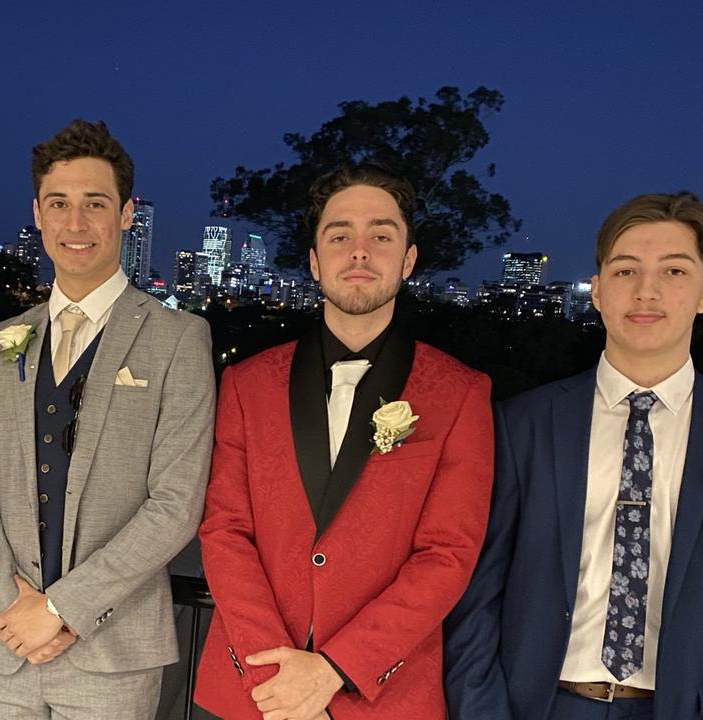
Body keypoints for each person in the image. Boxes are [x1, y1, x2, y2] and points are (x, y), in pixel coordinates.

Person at [444, 192, 703, 719]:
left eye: (674, 271)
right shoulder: (520, 425)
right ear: (599, 290)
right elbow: (473, 598)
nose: (646, 290)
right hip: (537, 705)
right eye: (625, 270)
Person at [194, 164, 494, 719]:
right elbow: (224, 529)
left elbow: (448, 555)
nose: (360, 252)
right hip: (255, 691)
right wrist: (277, 678)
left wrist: (334, 669)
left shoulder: (460, 393)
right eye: (339, 236)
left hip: (382, 695)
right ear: (314, 260)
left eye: (381, 236)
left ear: (408, 258)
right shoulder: (245, 384)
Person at [0, 119, 216, 718]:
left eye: (95, 204)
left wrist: (62, 608)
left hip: (113, 654)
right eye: (59, 204)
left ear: (125, 215)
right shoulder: (0, 342)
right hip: (7, 642)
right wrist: (14, 601)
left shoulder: (179, 338)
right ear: (37, 214)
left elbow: (176, 503)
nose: (76, 223)